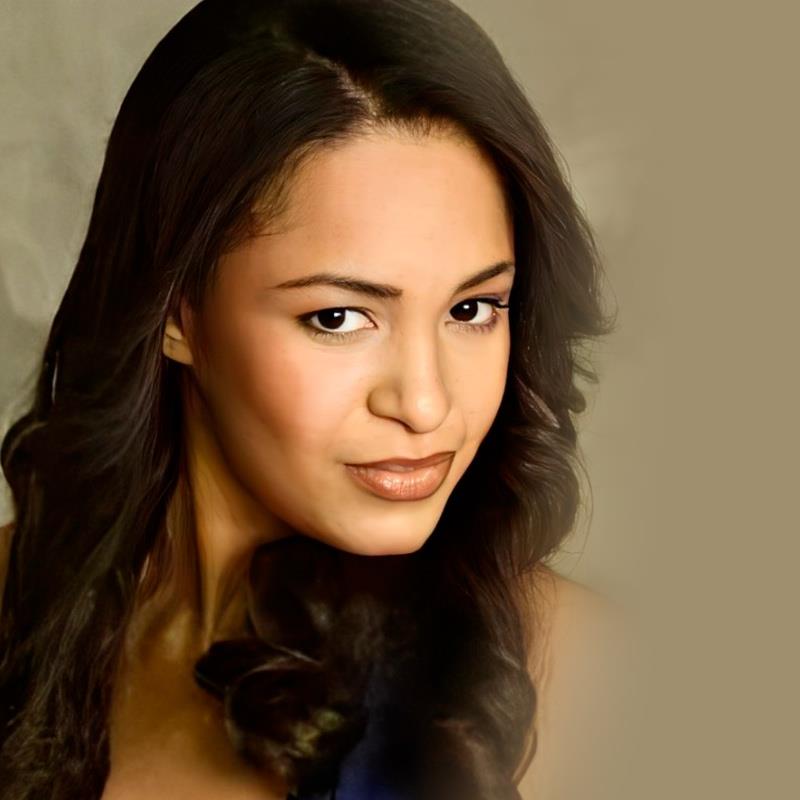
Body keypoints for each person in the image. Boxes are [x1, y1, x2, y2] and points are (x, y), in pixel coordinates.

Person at [0, 1, 622, 798]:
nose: (425, 404)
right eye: (339, 318)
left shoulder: (585, 677)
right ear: (177, 314)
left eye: (472, 309)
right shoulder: (19, 602)